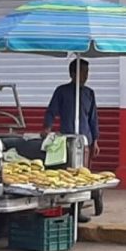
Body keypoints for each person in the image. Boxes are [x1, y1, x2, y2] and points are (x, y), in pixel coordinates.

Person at [42, 58, 100, 223]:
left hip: (85, 141)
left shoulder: (89, 93)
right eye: (83, 72)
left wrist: (95, 139)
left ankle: (79, 209)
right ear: (73, 73)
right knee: (68, 176)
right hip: (67, 141)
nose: (86, 76)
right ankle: (67, 206)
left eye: (87, 73)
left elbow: (93, 119)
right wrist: (47, 127)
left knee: (83, 177)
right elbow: (51, 111)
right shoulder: (62, 91)